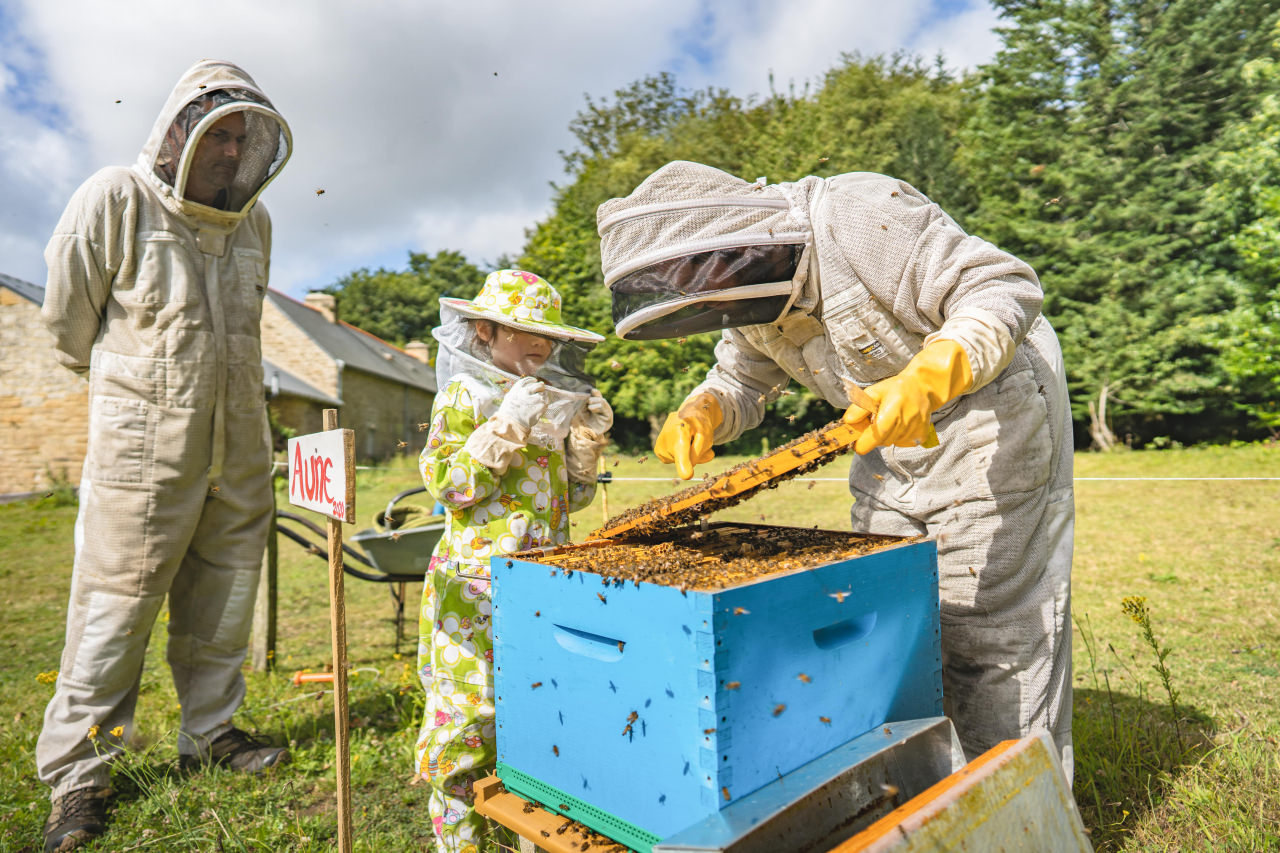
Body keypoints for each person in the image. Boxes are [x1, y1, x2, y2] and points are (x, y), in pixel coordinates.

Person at [596, 161, 1075, 779]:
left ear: (730, 245)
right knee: (885, 613)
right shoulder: (748, 294)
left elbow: (1001, 286)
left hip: (990, 415)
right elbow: (741, 377)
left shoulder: (855, 214)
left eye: (703, 282)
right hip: (880, 433)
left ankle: (1018, 811)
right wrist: (705, 409)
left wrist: (935, 373)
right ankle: (927, 798)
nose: (708, 301)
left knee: (987, 628)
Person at [37, 60, 293, 852]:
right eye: (216, 134)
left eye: (241, 139)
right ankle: (80, 774)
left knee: (225, 599)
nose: (228, 152)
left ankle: (210, 732)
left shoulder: (255, 224)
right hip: (141, 450)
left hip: (240, 445)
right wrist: (139, 395)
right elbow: (66, 326)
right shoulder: (115, 197)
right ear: (179, 129)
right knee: (114, 608)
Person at [415, 269, 612, 852]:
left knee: (539, 706)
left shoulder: (549, 400)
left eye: (548, 336)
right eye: (524, 331)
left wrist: (583, 445)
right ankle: (460, 841)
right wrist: (504, 426)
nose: (541, 345)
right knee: (468, 713)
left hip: (543, 579)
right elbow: (449, 486)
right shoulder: (464, 396)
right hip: (471, 589)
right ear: (484, 330)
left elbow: (569, 500)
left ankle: (525, 837)